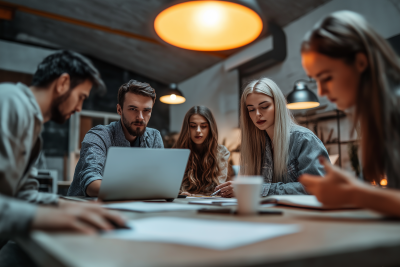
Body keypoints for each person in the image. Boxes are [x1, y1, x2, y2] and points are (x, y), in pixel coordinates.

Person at [0, 51, 126, 265]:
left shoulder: (33, 129)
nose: (79, 108)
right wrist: (59, 217)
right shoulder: (10, 101)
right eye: (81, 97)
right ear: (63, 83)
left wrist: (75, 207)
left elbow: (25, 196)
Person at [298, 11, 400, 217]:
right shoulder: (378, 117)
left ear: (360, 62)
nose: (321, 92)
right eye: (315, 80)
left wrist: (353, 193)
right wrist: (351, 185)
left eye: (326, 77)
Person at [215, 78, 329, 197]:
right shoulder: (256, 145)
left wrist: (254, 189)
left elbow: (319, 187)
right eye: (251, 109)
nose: (257, 114)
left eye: (264, 106)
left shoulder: (304, 139)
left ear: (278, 105)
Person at [68, 79, 164, 197]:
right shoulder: (99, 135)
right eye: (133, 109)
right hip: (86, 209)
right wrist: (140, 190)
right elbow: (92, 183)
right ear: (119, 110)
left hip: (134, 207)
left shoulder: (154, 137)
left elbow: (160, 180)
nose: (140, 117)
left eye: (146, 111)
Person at [173, 106, 230, 196]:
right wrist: (180, 194)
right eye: (193, 126)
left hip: (210, 204)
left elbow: (217, 190)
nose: (198, 130)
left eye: (203, 126)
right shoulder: (176, 152)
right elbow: (171, 188)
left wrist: (193, 196)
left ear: (210, 128)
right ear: (187, 128)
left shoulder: (221, 152)